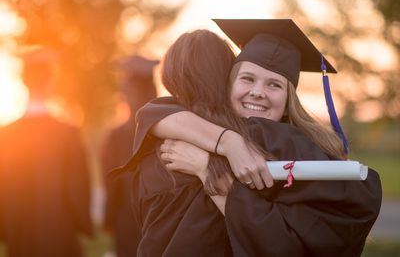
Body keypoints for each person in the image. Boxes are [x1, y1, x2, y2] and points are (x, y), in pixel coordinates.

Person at [117, 20, 382, 256]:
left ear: (289, 97)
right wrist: (228, 143)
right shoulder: (189, 130)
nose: (257, 92)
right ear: (227, 83)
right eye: (247, 79)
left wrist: (208, 168)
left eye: (274, 84)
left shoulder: (287, 143)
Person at [0, 47, 93, 257]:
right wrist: (82, 223)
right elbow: (77, 188)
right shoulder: (67, 134)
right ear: (50, 82)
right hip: (60, 235)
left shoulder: (6, 135)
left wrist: (6, 230)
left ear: (23, 82)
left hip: (19, 236)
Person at [100, 55, 158, 257]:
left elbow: (110, 183)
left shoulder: (116, 136)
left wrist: (109, 221)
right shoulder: (167, 133)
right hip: (161, 223)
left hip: (126, 222)